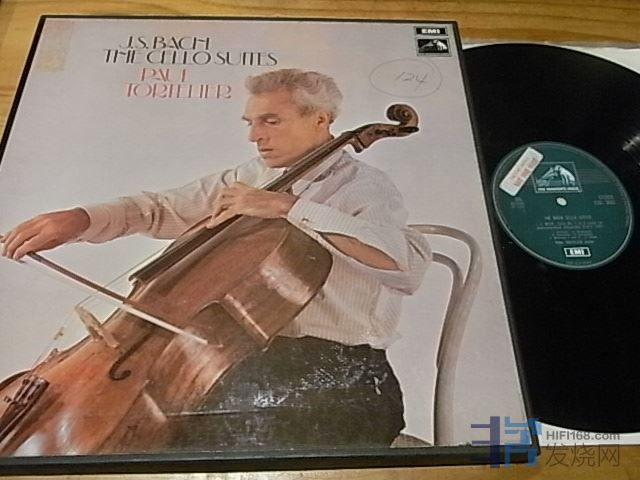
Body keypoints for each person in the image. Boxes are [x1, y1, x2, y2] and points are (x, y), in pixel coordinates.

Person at [1, 68, 431, 451]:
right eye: (250, 122)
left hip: (342, 377)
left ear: (320, 120)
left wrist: (288, 208)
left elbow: (405, 266)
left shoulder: (365, 186)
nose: (254, 136)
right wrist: (81, 219)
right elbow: (162, 208)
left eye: (271, 121)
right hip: (244, 361)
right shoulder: (255, 176)